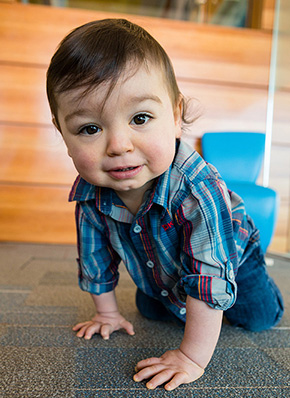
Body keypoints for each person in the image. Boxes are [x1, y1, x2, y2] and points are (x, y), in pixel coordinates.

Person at [46, 19, 284, 391]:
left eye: (140, 118)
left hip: (230, 254)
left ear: (175, 117)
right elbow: (96, 260)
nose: (119, 145)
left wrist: (191, 357)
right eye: (90, 128)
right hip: (161, 265)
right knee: (151, 309)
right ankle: (179, 296)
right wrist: (106, 313)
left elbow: (208, 280)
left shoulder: (198, 190)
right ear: (62, 132)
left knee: (257, 316)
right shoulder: (90, 193)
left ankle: (250, 285)